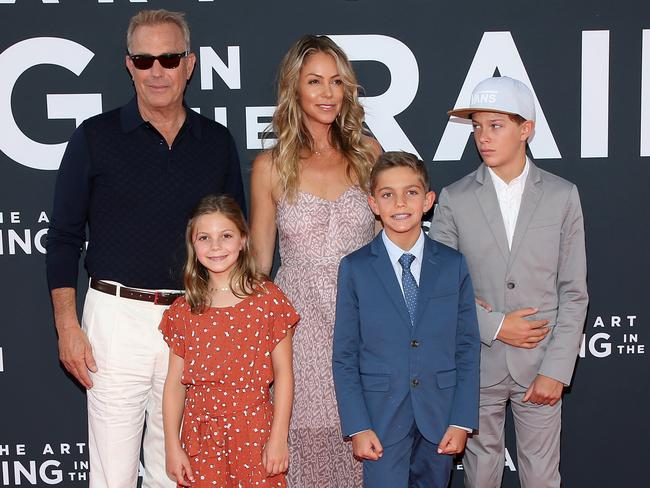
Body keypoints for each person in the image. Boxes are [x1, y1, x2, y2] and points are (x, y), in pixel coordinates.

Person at [45, 9, 246, 487]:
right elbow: (64, 238)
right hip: (115, 321)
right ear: (129, 65)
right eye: (146, 59)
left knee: (175, 472)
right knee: (112, 474)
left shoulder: (215, 142)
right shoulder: (94, 138)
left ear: (190, 65)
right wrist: (67, 326)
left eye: (170, 58)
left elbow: (238, 239)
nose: (158, 70)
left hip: (192, 320)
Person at [430, 76, 588, 487]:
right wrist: (497, 325)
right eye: (477, 126)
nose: (483, 136)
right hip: (476, 364)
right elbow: (440, 289)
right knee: (480, 475)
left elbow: (573, 291)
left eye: (496, 125)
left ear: (526, 130)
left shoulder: (561, 195)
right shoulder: (454, 197)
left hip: (541, 363)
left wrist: (557, 369)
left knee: (541, 476)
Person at [249, 35, 381, 486]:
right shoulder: (271, 165)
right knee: (305, 442)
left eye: (336, 82)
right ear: (295, 90)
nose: (327, 93)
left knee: (366, 439)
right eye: (315, 81)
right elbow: (260, 263)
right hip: (298, 327)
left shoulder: (369, 156)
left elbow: (391, 251)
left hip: (363, 319)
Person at [332, 151, 480, 487]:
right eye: (388, 194)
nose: (400, 203)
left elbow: (468, 347)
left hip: (439, 418)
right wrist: (358, 425)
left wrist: (461, 420)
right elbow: (344, 355)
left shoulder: (452, 264)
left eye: (411, 192)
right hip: (381, 419)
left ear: (428, 200)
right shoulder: (355, 268)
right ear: (373, 204)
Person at [160, 194, 298, 487]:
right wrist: (172, 445)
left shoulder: (268, 300)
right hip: (200, 437)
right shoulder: (183, 311)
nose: (216, 247)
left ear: (243, 240)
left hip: (256, 432)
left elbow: (284, 373)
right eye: (204, 238)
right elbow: (174, 383)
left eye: (225, 236)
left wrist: (278, 437)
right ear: (193, 245)